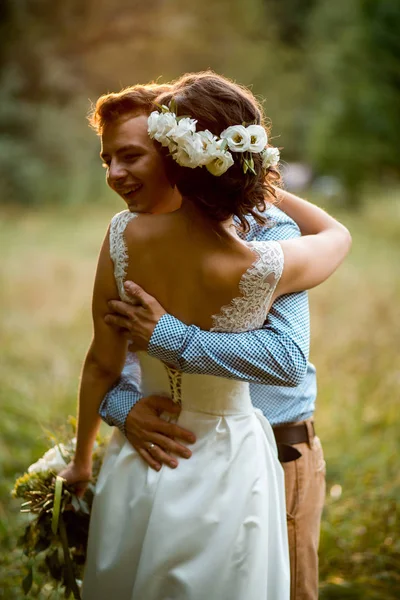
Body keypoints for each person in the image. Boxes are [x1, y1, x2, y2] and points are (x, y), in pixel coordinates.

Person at [60, 72, 351, 600]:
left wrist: (171, 336)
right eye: (107, 161)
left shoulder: (269, 235)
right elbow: (108, 363)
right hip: (164, 453)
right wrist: (122, 411)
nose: (116, 176)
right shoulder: (138, 233)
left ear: (172, 158)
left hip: (276, 453)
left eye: (131, 157)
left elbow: (284, 357)